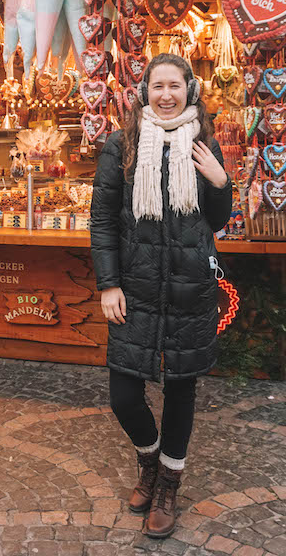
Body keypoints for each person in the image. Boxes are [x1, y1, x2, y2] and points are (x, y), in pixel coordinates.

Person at [90, 54, 234, 539]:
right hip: (137, 288)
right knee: (124, 395)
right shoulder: (120, 146)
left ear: (189, 90)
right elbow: (104, 220)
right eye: (157, 86)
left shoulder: (203, 142)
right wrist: (108, 283)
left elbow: (216, 220)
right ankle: (148, 461)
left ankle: (168, 485)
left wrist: (220, 182)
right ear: (144, 92)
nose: (166, 94)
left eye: (175, 85)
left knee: (181, 390)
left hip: (190, 287)